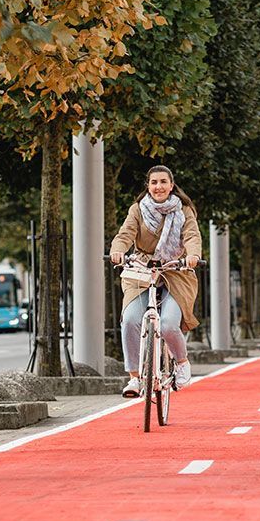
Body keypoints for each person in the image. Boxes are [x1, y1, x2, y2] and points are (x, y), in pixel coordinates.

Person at [109, 165, 203, 398]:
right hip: (142, 270)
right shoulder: (137, 209)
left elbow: (192, 235)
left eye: (163, 182)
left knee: (169, 324)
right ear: (148, 186)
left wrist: (192, 256)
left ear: (171, 185)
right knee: (130, 320)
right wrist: (118, 250)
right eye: (154, 182)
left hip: (175, 270)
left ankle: (181, 362)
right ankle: (134, 377)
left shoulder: (184, 210)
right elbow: (125, 234)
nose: (158, 186)